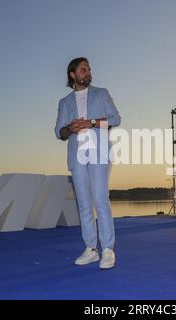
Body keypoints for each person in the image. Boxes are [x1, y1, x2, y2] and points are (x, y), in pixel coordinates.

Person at [54, 57, 121, 269]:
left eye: (89, 69)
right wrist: (70, 129)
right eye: (83, 69)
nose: (88, 72)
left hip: (99, 152)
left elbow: (115, 119)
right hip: (77, 155)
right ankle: (91, 249)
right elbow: (59, 132)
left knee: (100, 199)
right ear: (73, 74)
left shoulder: (101, 93)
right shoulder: (64, 103)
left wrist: (91, 122)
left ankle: (108, 249)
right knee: (83, 204)